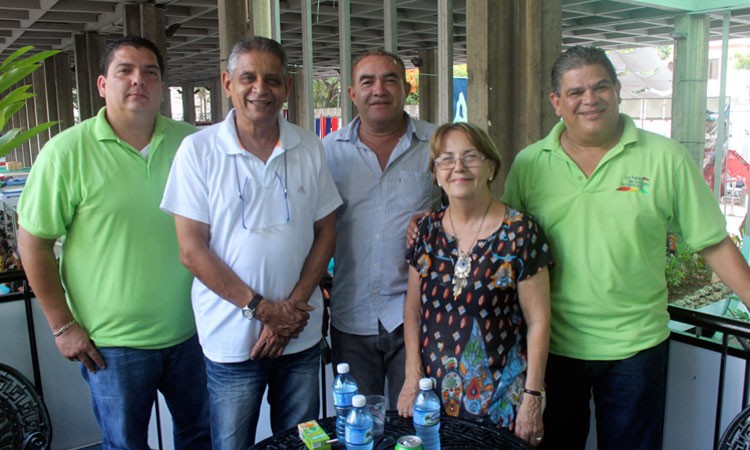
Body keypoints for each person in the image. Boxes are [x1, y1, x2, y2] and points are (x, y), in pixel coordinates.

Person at [503, 45, 750, 450]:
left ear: (617, 90)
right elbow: (506, 246)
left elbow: (713, 241)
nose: (590, 99)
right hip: (553, 347)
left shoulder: (665, 158)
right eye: (576, 92)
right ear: (556, 102)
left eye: (601, 87)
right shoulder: (530, 163)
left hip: (635, 348)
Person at [16, 35, 210, 449]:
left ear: (161, 86)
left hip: (194, 333)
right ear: (103, 84)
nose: (138, 80)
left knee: (201, 437)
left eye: (150, 73)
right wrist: (62, 326)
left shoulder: (192, 144)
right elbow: (33, 243)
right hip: (113, 345)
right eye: (125, 71)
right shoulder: (66, 152)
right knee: (125, 444)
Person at [160, 36, 342, 449]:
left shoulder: (308, 145)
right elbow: (191, 250)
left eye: (272, 79)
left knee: (299, 442)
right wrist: (263, 310)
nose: (261, 89)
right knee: (231, 443)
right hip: (229, 341)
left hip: (300, 335)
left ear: (287, 87)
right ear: (227, 83)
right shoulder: (198, 151)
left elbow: (326, 232)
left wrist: (290, 311)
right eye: (248, 78)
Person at [396, 122, 551, 447]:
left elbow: (539, 322)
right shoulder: (425, 230)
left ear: (491, 167)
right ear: (436, 173)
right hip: (433, 398)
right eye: (446, 159)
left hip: (501, 404)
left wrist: (532, 396)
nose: (459, 167)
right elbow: (412, 309)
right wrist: (412, 376)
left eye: (471, 156)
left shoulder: (521, 233)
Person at [323, 48, 441, 407]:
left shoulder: (437, 145)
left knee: (418, 426)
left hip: (419, 317)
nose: (379, 89)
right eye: (367, 81)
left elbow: (470, 210)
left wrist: (437, 220)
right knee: (359, 430)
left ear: (406, 89)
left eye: (390, 79)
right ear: (352, 93)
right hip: (351, 317)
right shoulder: (328, 152)